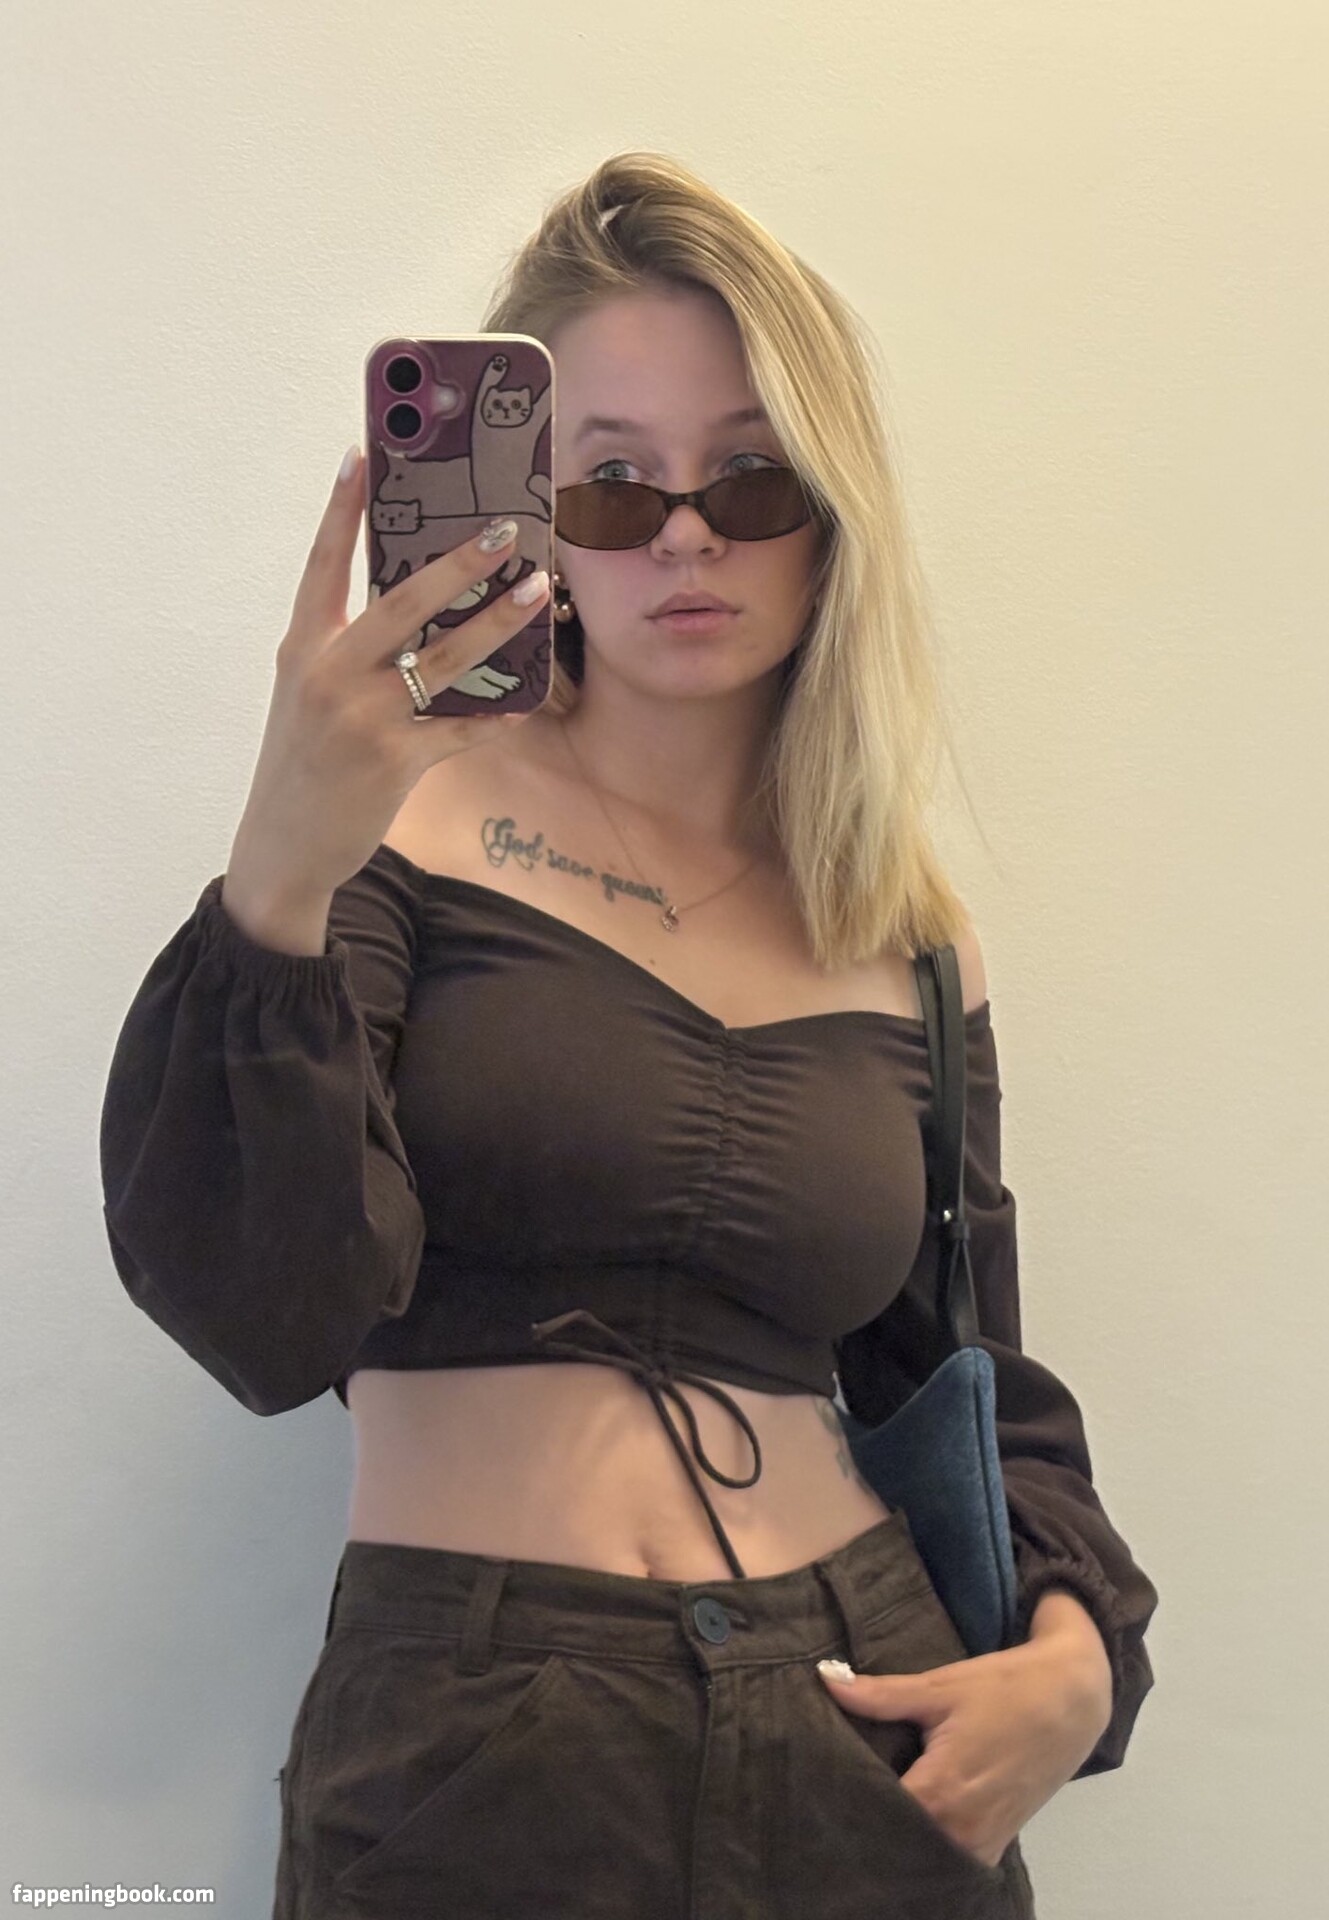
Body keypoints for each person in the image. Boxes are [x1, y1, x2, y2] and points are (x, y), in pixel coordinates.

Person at [99, 152, 1159, 1918]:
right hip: (485, 1748)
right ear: (524, 516)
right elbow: (260, 1318)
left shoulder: (904, 937)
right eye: (610, 485)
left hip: (865, 1730)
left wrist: (1070, 1654)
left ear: (830, 511)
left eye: (749, 474)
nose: (683, 534)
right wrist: (279, 872)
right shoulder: (399, 831)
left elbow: (962, 1371)